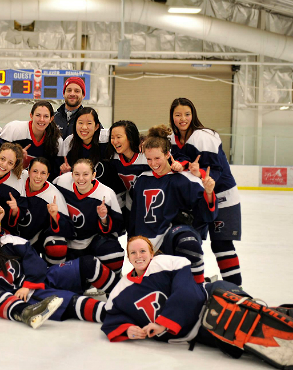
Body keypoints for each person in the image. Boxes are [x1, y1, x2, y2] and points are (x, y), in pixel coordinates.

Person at [102, 236, 293, 370]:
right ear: (128, 257)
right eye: (133, 253)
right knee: (239, 342)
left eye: (143, 251)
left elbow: (187, 292)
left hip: (211, 298)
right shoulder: (121, 290)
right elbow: (112, 316)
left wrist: (162, 323)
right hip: (200, 329)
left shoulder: (168, 263)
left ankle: (279, 314)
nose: (138, 256)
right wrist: (127, 329)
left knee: (248, 315)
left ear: (151, 253)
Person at [0, 223, 116, 327]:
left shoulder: (9, 242)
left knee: (88, 264)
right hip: (29, 297)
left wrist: (28, 284)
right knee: (75, 303)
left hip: (41, 278)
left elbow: (33, 258)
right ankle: (119, 314)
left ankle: (123, 291)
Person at [129, 124, 217, 284]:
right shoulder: (142, 179)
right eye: (149, 159)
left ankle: (197, 285)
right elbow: (135, 215)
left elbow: (206, 215)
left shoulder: (185, 179)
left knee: (187, 241)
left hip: (169, 240)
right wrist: (132, 243)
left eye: (157, 158)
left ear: (168, 154)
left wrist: (209, 193)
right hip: (146, 245)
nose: (153, 163)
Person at [169, 97, 243, 285]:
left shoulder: (203, 136)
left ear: (193, 115)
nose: (182, 118)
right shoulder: (173, 139)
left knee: (221, 244)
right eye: (177, 115)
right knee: (190, 242)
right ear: (172, 117)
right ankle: (194, 282)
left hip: (222, 196)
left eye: (187, 114)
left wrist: (199, 172)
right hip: (199, 198)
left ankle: (235, 288)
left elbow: (215, 171)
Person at [53, 159, 124, 279]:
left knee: (113, 253)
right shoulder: (61, 181)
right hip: (68, 238)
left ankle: (113, 281)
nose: (81, 179)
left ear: (94, 175)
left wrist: (104, 218)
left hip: (93, 241)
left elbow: (117, 228)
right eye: (76, 174)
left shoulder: (106, 194)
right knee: (53, 246)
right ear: (71, 174)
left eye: (85, 174)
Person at [0, 101, 63, 180]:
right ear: (31, 116)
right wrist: (13, 154)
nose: (41, 119)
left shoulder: (57, 141)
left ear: (51, 118)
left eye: (46, 116)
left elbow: (54, 173)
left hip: (36, 184)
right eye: (38, 115)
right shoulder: (14, 128)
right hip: (8, 179)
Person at [18, 157, 73, 266]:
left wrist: (55, 217)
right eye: (35, 171)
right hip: (10, 233)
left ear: (48, 176)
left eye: (43, 173)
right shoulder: (18, 178)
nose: (38, 176)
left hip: (35, 239)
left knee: (57, 245)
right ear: (28, 172)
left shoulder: (54, 196)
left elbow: (69, 229)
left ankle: (53, 273)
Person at [60, 107, 124, 194]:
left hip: (111, 197)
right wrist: (65, 171)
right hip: (83, 198)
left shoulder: (107, 138)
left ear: (97, 126)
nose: (84, 127)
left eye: (89, 123)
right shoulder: (69, 142)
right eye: (80, 123)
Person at [105, 120, 149, 232]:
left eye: (119, 137)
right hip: (131, 204)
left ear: (130, 137)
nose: (114, 141)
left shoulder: (147, 155)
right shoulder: (113, 158)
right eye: (112, 137)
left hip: (151, 205)